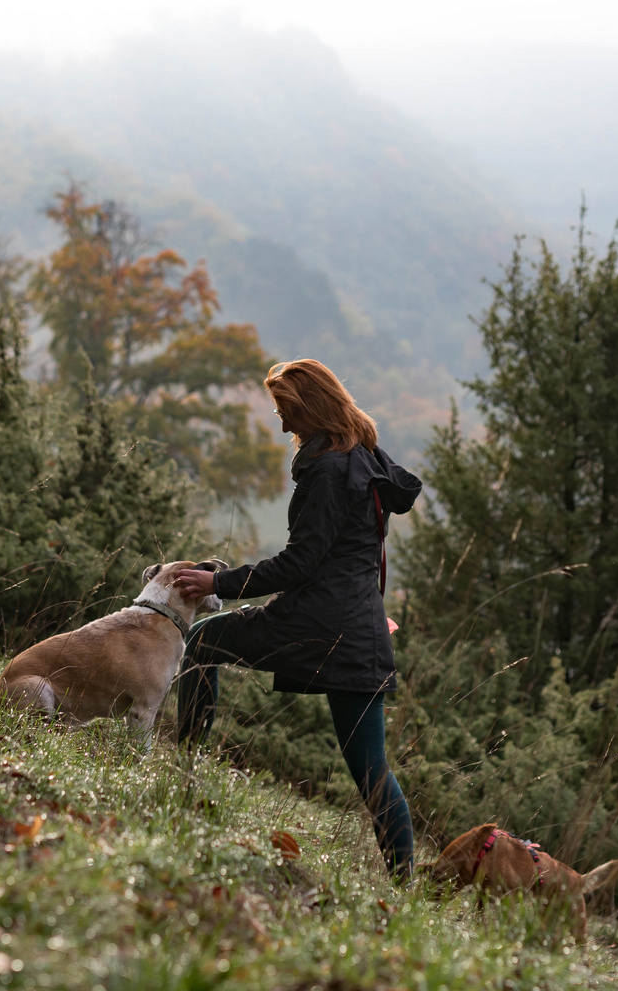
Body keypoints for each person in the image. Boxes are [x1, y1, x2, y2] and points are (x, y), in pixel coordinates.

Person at [172, 358, 422, 878]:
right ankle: (405, 885)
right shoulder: (365, 456)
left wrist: (217, 582)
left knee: (202, 643)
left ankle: (184, 772)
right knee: (372, 771)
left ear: (311, 406)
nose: (283, 423)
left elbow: (299, 563)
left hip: (319, 621)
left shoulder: (330, 470)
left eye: (286, 410)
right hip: (361, 628)